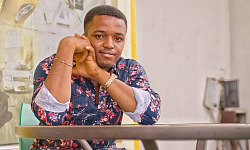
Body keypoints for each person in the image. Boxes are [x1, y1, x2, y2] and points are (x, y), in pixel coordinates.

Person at [30, 5, 161, 150]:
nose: (109, 45)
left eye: (118, 39)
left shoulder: (129, 69)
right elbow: (49, 117)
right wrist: (67, 46)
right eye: (99, 36)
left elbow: (150, 115)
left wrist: (98, 74)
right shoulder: (52, 65)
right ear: (84, 38)